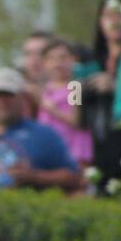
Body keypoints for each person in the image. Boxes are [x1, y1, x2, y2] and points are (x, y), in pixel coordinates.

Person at [81, 0, 121, 195]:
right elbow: (73, 102)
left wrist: (116, 87)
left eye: (120, 15)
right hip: (97, 151)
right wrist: (84, 87)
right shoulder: (89, 61)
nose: (114, 22)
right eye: (108, 15)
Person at [37, 37, 92, 168]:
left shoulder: (75, 86)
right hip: (49, 145)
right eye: (51, 58)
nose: (58, 63)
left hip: (72, 147)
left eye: (63, 58)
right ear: (44, 63)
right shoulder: (45, 89)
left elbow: (76, 120)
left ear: (73, 60)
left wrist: (53, 110)